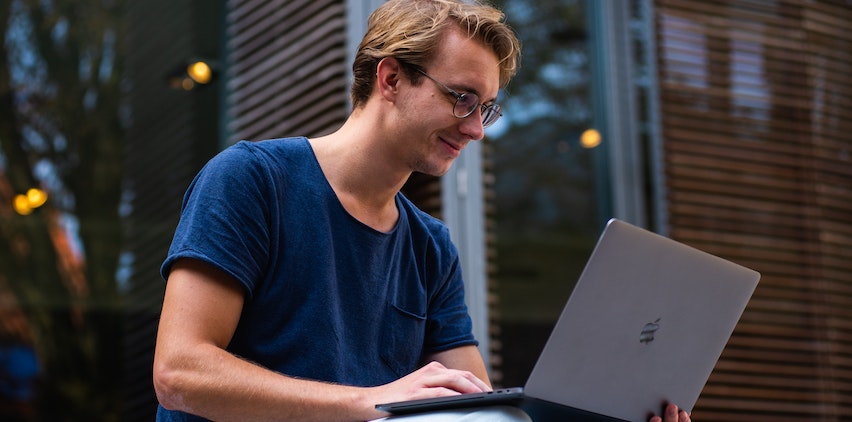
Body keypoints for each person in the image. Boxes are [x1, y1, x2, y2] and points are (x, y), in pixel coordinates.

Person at [152, 1, 690, 421]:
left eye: (487, 108)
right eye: (461, 98)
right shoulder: (252, 179)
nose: (477, 128)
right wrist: (375, 401)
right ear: (390, 80)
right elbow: (180, 373)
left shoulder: (430, 247)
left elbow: (476, 410)